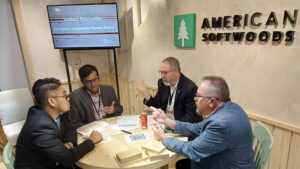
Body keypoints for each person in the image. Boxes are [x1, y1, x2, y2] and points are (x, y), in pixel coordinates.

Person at [152, 76, 255, 169]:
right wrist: (167, 121)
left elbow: (192, 150)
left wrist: (163, 138)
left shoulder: (221, 124)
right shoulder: (230, 107)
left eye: (198, 96)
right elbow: (197, 128)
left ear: (211, 102)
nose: (195, 99)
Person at [14, 78, 103, 169]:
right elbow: (67, 158)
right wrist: (91, 141)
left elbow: (70, 128)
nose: (68, 98)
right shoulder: (40, 126)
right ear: (52, 101)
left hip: (53, 161)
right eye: (64, 96)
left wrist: (69, 143)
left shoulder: (54, 113)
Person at [132, 57, 202, 123]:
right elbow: (157, 106)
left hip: (179, 126)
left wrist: (171, 126)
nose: (162, 76)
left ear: (176, 71)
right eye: (161, 72)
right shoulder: (162, 83)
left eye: (165, 72)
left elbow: (190, 117)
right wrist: (145, 91)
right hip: (165, 123)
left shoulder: (190, 88)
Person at [69, 64, 123, 128]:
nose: (93, 84)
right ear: (83, 82)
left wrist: (113, 110)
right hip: (90, 131)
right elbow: (75, 123)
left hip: (110, 127)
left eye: (95, 79)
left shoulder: (109, 90)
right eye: (88, 82)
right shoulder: (75, 97)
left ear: (98, 77)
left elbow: (119, 109)